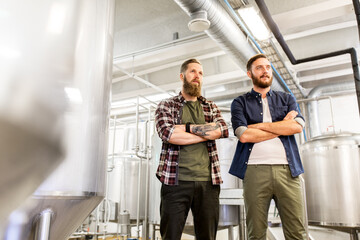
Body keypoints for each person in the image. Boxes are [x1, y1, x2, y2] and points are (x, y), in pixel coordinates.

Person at [229, 53, 307, 240]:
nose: (265, 71)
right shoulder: (239, 102)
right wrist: (282, 126)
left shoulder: (287, 99)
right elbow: (245, 135)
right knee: (256, 233)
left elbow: (297, 126)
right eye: (259, 68)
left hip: (288, 171)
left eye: (268, 67)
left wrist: (257, 126)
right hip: (254, 171)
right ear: (250, 74)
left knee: (297, 233)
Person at [155, 58, 229, 240]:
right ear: (182, 76)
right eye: (193, 72)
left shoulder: (210, 106)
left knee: (208, 237)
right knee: (170, 236)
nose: (197, 76)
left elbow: (222, 130)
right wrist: (205, 131)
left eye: (201, 73)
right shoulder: (167, 105)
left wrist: (185, 127)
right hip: (175, 182)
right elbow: (169, 134)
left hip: (208, 183)